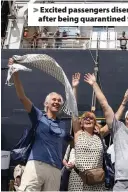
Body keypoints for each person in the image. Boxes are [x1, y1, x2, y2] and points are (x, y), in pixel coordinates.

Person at [8, 58, 71, 191]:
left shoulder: (63, 125)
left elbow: (73, 140)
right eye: (54, 99)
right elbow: (22, 97)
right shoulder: (38, 116)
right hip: (36, 164)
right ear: (46, 103)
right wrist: (15, 74)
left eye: (59, 101)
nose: (57, 102)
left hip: (55, 169)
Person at [68, 73, 128, 191]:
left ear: (95, 122)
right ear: (80, 123)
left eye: (91, 118)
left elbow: (115, 119)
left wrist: (124, 102)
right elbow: (73, 110)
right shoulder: (78, 133)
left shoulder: (100, 134)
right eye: (85, 118)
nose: (88, 119)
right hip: (78, 179)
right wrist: (75, 88)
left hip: (97, 180)